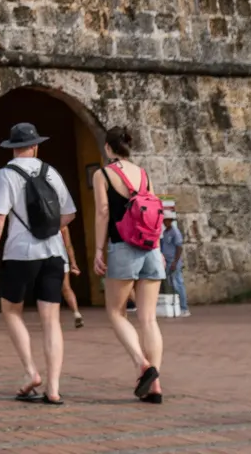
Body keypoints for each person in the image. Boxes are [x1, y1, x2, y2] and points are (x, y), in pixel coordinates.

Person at [0, 123, 77, 405]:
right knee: (51, 320)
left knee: (11, 311)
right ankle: (54, 388)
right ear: (35, 145)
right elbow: (69, 213)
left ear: (12, 148)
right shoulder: (51, 171)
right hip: (53, 252)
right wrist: (47, 229)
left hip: (20, 253)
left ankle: (31, 373)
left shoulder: (6, 174)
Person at [92, 127, 166, 403]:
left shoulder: (103, 174)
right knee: (148, 318)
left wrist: (98, 250)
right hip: (151, 248)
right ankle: (155, 385)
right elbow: (155, 209)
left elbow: (102, 212)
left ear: (109, 149)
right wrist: (158, 248)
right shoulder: (144, 174)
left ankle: (142, 364)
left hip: (123, 246)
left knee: (116, 312)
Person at [160, 207, 186, 315]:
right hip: (168, 261)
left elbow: (179, 247)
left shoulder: (175, 232)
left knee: (178, 283)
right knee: (170, 284)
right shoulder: (166, 232)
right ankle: (176, 307)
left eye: (166, 220)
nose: (165, 222)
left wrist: (175, 262)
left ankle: (184, 307)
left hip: (174, 261)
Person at [59, 227, 85, 329]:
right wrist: (73, 262)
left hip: (43, 258)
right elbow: (68, 245)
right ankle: (76, 312)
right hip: (61, 258)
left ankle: (54, 319)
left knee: (49, 291)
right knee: (66, 288)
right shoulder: (62, 225)